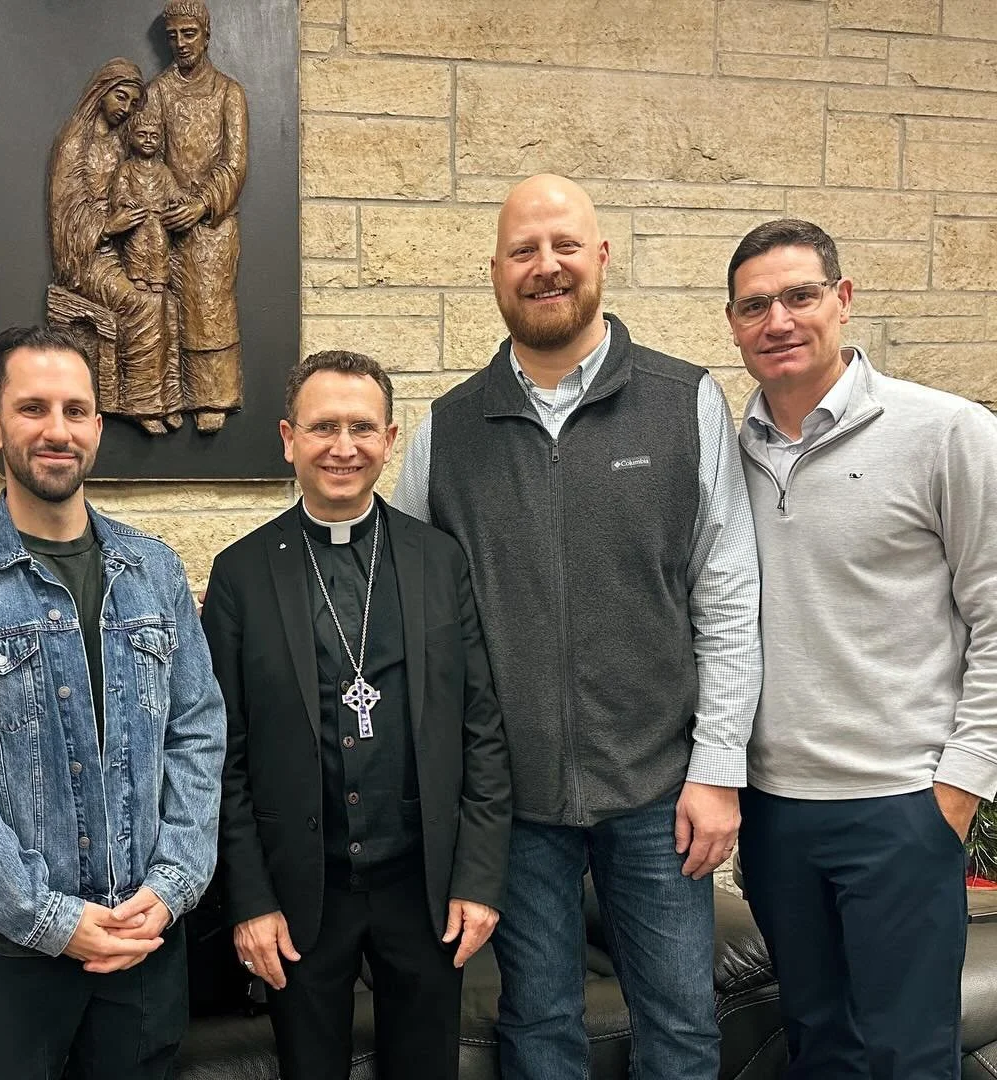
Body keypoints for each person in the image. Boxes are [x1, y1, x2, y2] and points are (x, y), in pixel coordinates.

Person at [390, 174, 761, 1080]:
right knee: (539, 1026)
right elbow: (404, 601)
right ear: (494, 272)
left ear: (600, 257)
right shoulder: (447, 431)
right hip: (510, 803)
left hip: (658, 792)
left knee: (679, 1028)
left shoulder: (685, 403)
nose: (545, 266)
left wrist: (717, 770)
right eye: (524, 250)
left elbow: (728, 596)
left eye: (564, 246)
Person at [0, 324, 226, 1079]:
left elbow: (198, 734)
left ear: (98, 428)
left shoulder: (155, 571)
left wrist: (172, 885)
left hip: (141, 939)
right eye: (33, 408)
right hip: (5, 955)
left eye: (76, 410)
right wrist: (50, 919)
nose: (56, 430)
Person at [727, 218, 997, 1080]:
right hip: (774, 815)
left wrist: (958, 788)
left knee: (910, 1056)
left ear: (842, 300)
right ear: (732, 325)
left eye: (800, 295)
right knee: (819, 1046)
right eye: (755, 305)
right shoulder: (726, 455)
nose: (779, 320)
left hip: (902, 806)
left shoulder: (946, 433)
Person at [203, 350, 511, 1080]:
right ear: (288, 438)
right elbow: (220, 754)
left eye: (362, 428)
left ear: (390, 438)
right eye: (323, 427)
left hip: (423, 887)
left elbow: (482, 729)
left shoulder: (440, 561)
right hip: (304, 892)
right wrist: (249, 901)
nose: (344, 446)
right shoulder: (242, 573)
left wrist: (477, 878)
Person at [48, 57, 181, 433]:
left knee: (168, 305)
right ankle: (140, 404)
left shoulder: (119, 143)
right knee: (141, 304)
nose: (124, 109)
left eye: (131, 103)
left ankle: (167, 400)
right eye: (119, 97)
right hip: (87, 257)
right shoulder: (75, 144)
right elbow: (66, 216)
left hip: (122, 250)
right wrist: (108, 226)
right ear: (100, 93)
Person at [145, 0, 248, 433]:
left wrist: (203, 203)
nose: (181, 44)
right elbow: (144, 148)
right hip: (165, 218)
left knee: (209, 310)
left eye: (189, 34)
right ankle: (165, 396)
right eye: (173, 36)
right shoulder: (158, 92)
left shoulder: (229, 93)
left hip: (211, 224)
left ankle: (213, 397)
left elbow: (235, 161)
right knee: (162, 308)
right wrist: (164, 198)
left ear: (205, 35)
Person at [108, 108, 183, 293]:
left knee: (158, 246)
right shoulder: (126, 168)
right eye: (142, 135)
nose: (148, 140)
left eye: (154, 136)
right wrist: (125, 200)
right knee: (137, 247)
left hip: (157, 219)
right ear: (131, 138)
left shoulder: (163, 170)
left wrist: (178, 197)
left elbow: (172, 190)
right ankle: (138, 275)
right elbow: (119, 191)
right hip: (137, 220)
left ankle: (158, 277)